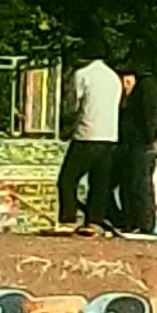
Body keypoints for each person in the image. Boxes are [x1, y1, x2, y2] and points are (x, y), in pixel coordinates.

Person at [57, 51, 122, 234]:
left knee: (68, 179)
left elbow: (73, 104)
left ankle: (68, 219)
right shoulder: (113, 77)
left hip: (86, 135)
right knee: (99, 182)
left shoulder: (82, 75)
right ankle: (94, 221)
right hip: (109, 136)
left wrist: (68, 122)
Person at [115, 65, 157, 237]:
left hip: (139, 145)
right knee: (131, 183)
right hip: (134, 144)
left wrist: (149, 139)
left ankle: (142, 222)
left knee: (138, 183)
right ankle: (135, 220)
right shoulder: (143, 92)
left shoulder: (144, 91)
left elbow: (149, 118)